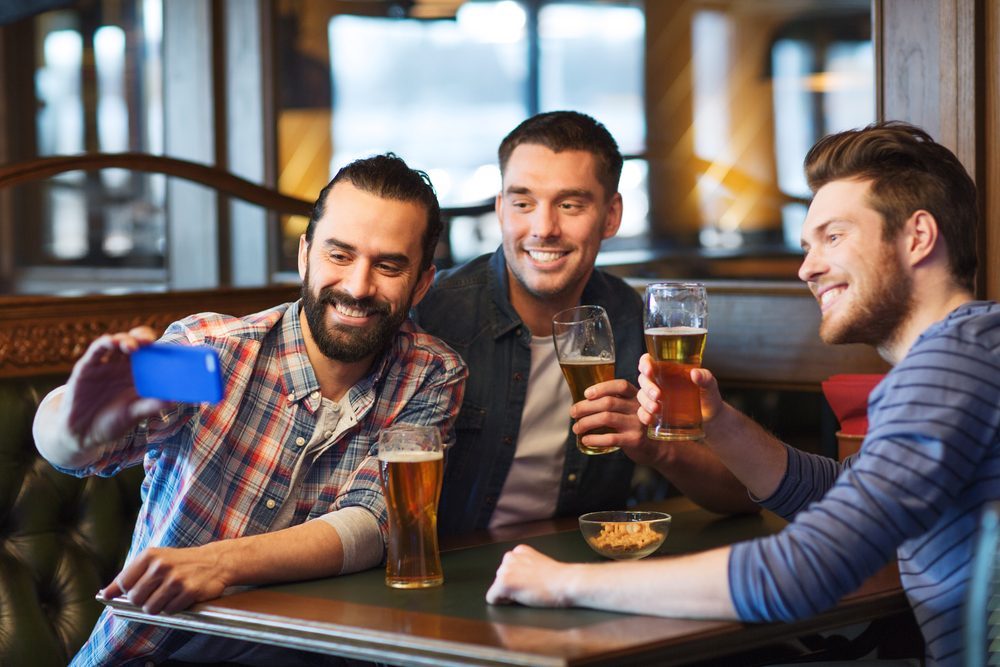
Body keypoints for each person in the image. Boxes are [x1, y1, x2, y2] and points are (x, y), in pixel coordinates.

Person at [485, 121, 1000, 666]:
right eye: (807, 244)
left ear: (917, 237)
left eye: (834, 236)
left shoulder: (952, 364)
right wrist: (720, 422)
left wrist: (563, 582)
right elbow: (841, 492)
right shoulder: (973, 350)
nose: (808, 267)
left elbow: (800, 572)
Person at [33, 154, 467, 666]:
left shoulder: (431, 373)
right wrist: (75, 421)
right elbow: (71, 449)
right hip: (151, 654)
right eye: (340, 255)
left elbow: (375, 524)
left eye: (388, 265)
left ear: (421, 283)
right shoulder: (210, 350)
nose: (357, 286)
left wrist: (219, 564)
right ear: (306, 255)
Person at [414, 111, 755, 536]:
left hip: (580, 566)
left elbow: (742, 493)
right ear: (501, 210)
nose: (544, 229)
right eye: (523, 203)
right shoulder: (431, 316)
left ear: (611, 216)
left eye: (570, 204)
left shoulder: (631, 319)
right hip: (452, 567)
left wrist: (656, 448)